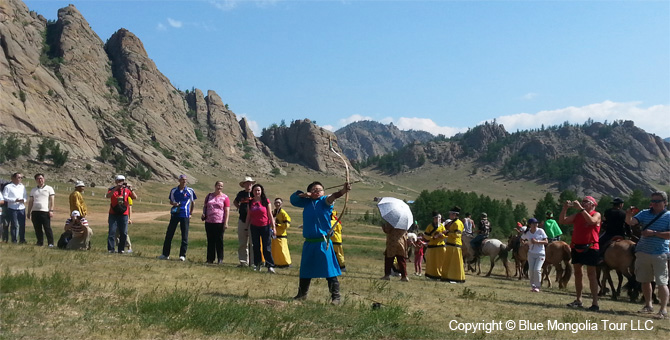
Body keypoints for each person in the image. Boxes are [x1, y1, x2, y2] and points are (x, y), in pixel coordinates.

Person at [290, 181, 351, 304]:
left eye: (320, 189)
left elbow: (333, 196)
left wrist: (343, 191)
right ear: (309, 192)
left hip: (323, 242)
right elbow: (293, 199)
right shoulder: (306, 202)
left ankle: (336, 297)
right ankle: (302, 294)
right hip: (309, 242)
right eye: (314, 189)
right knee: (305, 269)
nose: (317, 191)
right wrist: (303, 195)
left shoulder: (325, 201)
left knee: (329, 270)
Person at [625, 191, 669, 319]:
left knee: (662, 282)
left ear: (664, 203)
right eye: (653, 201)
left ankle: (663, 309)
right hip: (643, 251)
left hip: (660, 252)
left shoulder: (668, 216)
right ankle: (648, 305)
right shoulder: (644, 213)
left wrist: (654, 233)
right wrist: (628, 214)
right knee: (644, 280)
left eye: (657, 201)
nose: (654, 204)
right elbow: (631, 222)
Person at [560, 196, 602, 312]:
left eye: (586, 202)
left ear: (593, 205)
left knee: (591, 274)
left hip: (591, 247)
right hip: (576, 247)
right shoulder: (578, 215)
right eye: (582, 202)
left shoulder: (596, 214)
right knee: (578, 273)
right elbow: (562, 221)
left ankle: (595, 302)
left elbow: (592, 221)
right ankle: (578, 299)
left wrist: (581, 209)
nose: (583, 203)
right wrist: (565, 209)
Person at [159, 175, 196, 261]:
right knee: (169, 234)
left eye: (185, 180)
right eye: (182, 180)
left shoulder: (190, 191)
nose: (184, 181)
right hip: (175, 214)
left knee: (184, 235)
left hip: (185, 215)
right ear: (179, 180)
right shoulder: (174, 190)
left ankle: (182, 255)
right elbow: (171, 201)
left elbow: (193, 202)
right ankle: (165, 254)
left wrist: (191, 213)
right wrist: (174, 204)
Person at [246, 183, 276, 272]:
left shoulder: (266, 201)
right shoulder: (250, 202)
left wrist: (273, 227)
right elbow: (249, 215)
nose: (257, 192)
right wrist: (246, 227)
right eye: (255, 190)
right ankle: (257, 264)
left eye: (258, 190)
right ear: (252, 192)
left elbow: (270, 214)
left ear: (261, 191)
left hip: (265, 226)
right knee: (256, 246)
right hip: (254, 226)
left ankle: (270, 265)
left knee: (266, 247)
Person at [201, 181, 230, 264]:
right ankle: (210, 258)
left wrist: (226, 222)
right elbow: (205, 206)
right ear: (215, 186)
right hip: (209, 221)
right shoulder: (209, 196)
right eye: (218, 185)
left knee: (219, 240)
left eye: (221, 186)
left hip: (219, 221)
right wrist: (204, 213)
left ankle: (220, 258)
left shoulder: (225, 197)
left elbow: (227, 210)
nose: (219, 187)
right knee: (210, 240)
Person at [106, 175, 136, 253]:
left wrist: (131, 189)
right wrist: (116, 188)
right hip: (113, 213)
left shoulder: (126, 190)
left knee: (124, 232)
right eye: (119, 181)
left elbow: (135, 197)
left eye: (122, 181)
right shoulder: (112, 189)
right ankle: (111, 249)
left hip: (124, 214)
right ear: (116, 181)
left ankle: (121, 249)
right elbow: (108, 196)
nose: (120, 182)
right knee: (112, 231)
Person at [27, 173, 55, 247]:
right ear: (36, 180)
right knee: (37, 228)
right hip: (35, 211)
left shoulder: (49, 188)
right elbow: (31, 202)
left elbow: (52, 200)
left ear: (44, 179)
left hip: (45, 211)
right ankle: (40, 242)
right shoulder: (33, 190)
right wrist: (28, 212)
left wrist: (51, 210)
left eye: (41, 178)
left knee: (47, 228)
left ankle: (50, 243)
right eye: (38, 179)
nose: (40, 180)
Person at [521, 218, 548, 292]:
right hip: (531, 253)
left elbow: (546, 241)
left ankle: (538, 286)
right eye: (533, 223)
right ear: (530, 225)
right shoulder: (527, 233)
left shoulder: (540, 231)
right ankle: (533, 286)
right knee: (531, 270)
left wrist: (537, 241)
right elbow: (522, 239)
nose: (535, 225)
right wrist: (524, 244)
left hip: (540, 253)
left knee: (537, 269)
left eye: (536, 223)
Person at [440, 207, 466, 283]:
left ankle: (455, 277)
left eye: (450, 214)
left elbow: (457, 234)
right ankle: (446, 276)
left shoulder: (457, 223)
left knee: (454, 263)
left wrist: (448, 233)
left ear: (455, 214)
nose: (449, 215)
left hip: (455, 245)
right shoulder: (453, 222)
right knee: (448, 262)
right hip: (450, 245)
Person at [234, 176, 255, 267]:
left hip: (253, 221)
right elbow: (235, 202)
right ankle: (243, 262)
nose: (248, 185)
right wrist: (240, 208)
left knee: (253, 242)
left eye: (250, 183)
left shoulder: (255, 194)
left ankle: (253, 262)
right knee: (243, 242)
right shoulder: (241, 194)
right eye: (247, 183)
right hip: (242, 219)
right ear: (244, 185)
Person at [2, 173, 27, 244]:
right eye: (18, 177)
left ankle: (22, 239)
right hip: (12, 208)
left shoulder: (22, 186)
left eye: (21, 178)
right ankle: (14, 240)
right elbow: (5, 197)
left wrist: (23, 200)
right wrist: (14, 200)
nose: (20, 179)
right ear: (13, 178)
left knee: (22, 224)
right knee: (15, 225)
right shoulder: (8, 187)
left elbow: (25, 196)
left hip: (21, 208)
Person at [423, 212, 446, 280]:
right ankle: (431, 275)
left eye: (439, 218)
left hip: (440, 246)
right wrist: (432, 237)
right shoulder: (430, 226)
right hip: (432, 246)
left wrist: (442, 236)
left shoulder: (442, 226)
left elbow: (445, 235)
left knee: (440, 262)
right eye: (437, 218)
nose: (438, 219)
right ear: (434, 218)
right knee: (431, 262)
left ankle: (440, 275)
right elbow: (426, 236)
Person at [271, 197, 292, 268]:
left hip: (281, 234)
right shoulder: (274, 212)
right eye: (276, 202)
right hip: (275, 234)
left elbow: (287, 224)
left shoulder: (283, 213)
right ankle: (276, 262)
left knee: (282, 249)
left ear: (281, 204)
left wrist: (278, 225)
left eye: (278, 202)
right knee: (275, 250)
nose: (277, 204)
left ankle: (286, 263)